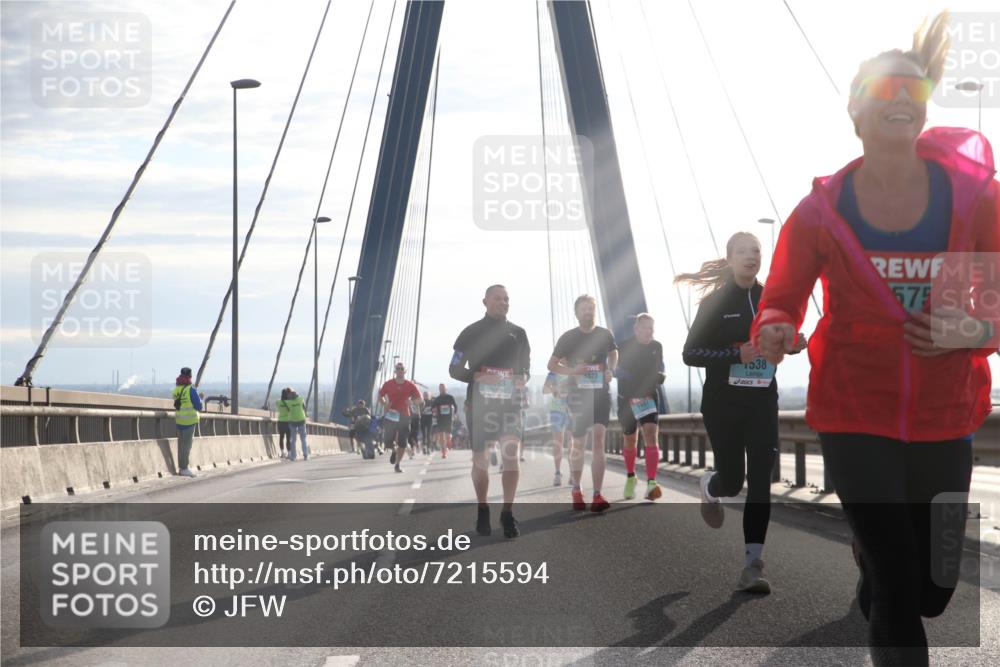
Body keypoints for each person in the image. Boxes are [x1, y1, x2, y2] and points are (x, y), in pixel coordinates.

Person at [752, 13, 999, 665]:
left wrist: (970, 330)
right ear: (855, 110)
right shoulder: (821, 213)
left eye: (914, 92)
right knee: (896, 588)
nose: (900, 101)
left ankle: (876, 561)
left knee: (936, 586)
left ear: (924, 109)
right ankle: (878, 565)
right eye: (885, 90)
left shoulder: (976, 201)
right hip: (855, 415)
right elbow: (781, 295)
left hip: (947, 415)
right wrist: (776, 326)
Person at [677, 231, 806, 595]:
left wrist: (794, 345)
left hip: (762, 403)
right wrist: (737, 356)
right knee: (733, 481)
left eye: (756, 251)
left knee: (762, 479)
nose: (751, 256)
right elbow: (690, 354)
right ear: (730, 258)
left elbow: (782, 341)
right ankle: (710, 485)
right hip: (723, 404)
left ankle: (753, 565)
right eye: (743, 251)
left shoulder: (772, 300)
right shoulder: (716, 303)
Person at [450, 284, 531, 538]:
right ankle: (483, 508)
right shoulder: (470, 332)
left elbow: (526, 369)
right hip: (481, 405)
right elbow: (454, 368)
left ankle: (507, 513)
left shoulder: (519, 333)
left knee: (510, 456)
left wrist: (523, 378)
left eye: (507, 299)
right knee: (481, 462)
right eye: (498, 299)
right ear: (485, 301)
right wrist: (476, 375)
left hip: (510, 404)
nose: (503, 302)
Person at [548, 295, 617, 512]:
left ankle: (597, 494)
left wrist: (610, 369)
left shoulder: (605, 334)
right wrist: (572, 371)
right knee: (578, 443)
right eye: (584, 309)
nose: (588, 312)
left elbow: (613, 352)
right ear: (576, 313)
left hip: (600, 394)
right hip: (577, 396)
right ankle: (577, 490)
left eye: (591, 308)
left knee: (599, 439)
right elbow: (552, 364)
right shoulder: (568, 338)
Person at [615, 313, 666, 501]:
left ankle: (652, 483)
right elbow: (615, 370)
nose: (648, 332)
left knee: (651, 435)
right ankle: (631, 477)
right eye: (644, 328)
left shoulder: (656, 346)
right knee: (630, 440)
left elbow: (661, 365)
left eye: (651, 328)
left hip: (648, 397)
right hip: (627, 399)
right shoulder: (623, 346)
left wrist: (660, 374)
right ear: (636, 329)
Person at [378, 362, 422, 473]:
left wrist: (411, 402)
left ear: (404, 371)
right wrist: (384, 404)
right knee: (387, 441)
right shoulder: (388, 384)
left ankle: (397, 464)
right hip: (391, 415)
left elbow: (420, 399)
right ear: (395, 371)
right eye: (398, 368)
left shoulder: (410, 385)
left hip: (404, 416)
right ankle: (393, 450)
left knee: (402, 442)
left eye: (402, 368)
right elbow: (380, 396)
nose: (400, 370)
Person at [172, 366, 203, 477]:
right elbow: (199, 406)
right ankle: (184, 468)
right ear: (190, 376)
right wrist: (201, 398)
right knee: (186, 446)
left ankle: (181, 468)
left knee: (181, 446)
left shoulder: (177, 389)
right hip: (189, 422)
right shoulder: (191, 389)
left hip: (179, 421)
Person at [542, 371, 571, 486]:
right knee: (558, 443)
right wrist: (556, 389)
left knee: (572, 443)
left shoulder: (573, 368)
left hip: (571, 409)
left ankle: (573, 473)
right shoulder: (553, 372)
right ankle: (558, 473)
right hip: (556, 410)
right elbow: (544, 390)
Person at [281, 388, 309, 461]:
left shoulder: (287, 402)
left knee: (293, 439)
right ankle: (305, 455)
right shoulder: (300, 398)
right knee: (303, 438)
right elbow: (304, 408)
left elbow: (288, 410)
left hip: (292, 421)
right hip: (301, 420)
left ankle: (293, 456)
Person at [431, 383, 458, 458]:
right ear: (439, 389)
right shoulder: (437, 399)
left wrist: (455, 413)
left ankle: (449, 440)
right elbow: (432, 408)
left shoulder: (450, 397)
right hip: (440, 419)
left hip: (448, 418)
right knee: (441, 436)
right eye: (440, 388)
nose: (442, 389)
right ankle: (444, 451)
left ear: (445, 389)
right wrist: (434, 410)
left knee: (447, 436)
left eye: (443, 388)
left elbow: (455, 406)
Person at [276, 388, 291, 458]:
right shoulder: (290, 402)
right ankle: (289, 453)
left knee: (281, 437)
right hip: (288, 422)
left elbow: (277, 407)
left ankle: (282, 453)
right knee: (288, 438)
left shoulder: (278, 401)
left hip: (280, 421)